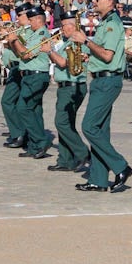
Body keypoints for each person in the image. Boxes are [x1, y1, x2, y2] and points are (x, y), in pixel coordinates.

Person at [76, 0, 132, 192]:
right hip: (101, 79)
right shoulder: (105, 22)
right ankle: (98, 179)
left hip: (107, 81)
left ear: (109, 1)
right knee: (100, 129)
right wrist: (89, 54)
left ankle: (120, 166)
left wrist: (86, 42)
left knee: (89, 126)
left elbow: (108, 55)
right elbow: (104, 53)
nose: (94, 2)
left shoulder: (111, 24)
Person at [9, 6, 54, 160]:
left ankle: (41, 141)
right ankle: (34, 146)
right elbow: (20, 54)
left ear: (37, 20)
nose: (29, 22)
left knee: (23, 108)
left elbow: (26, 54)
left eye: (31, 19)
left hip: (36, 76)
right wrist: (12, 42)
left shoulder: (41, 34)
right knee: (33, 110)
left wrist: (14, 39)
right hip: (29, 76)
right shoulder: (34, 33)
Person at [47, 10, 89, 173]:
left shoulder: (76, 42)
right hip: (65, 85)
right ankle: (65, 160)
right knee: (66, 123)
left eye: (64, 26)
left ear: (73, 26)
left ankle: (82, 152)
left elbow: (64, 63)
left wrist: (49, 51)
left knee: (61, 122)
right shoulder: (66, 41)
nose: (62, 29)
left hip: (73, 85)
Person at [0, 6, 27, 148]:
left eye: (20, 15)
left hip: (20, 67)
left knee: (8, 101)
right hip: (15, 67)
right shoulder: (20, 30)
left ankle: (19, 133)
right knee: (13, 102)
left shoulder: (27, 32)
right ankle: (17, 131)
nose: (17, 18)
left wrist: (10, 39)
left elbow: (21, 51)